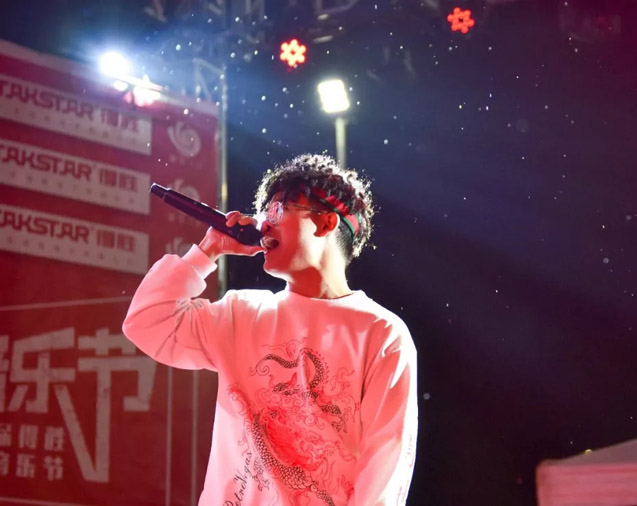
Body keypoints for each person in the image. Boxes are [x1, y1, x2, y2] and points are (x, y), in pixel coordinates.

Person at [123, 154, 418, 506]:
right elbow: (147, 321)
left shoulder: (381, 333)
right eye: (264, 213)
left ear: (325, 223)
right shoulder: (241, 314)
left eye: (278, 210)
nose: (263, 225)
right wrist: (208, 250)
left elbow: (384, 467)